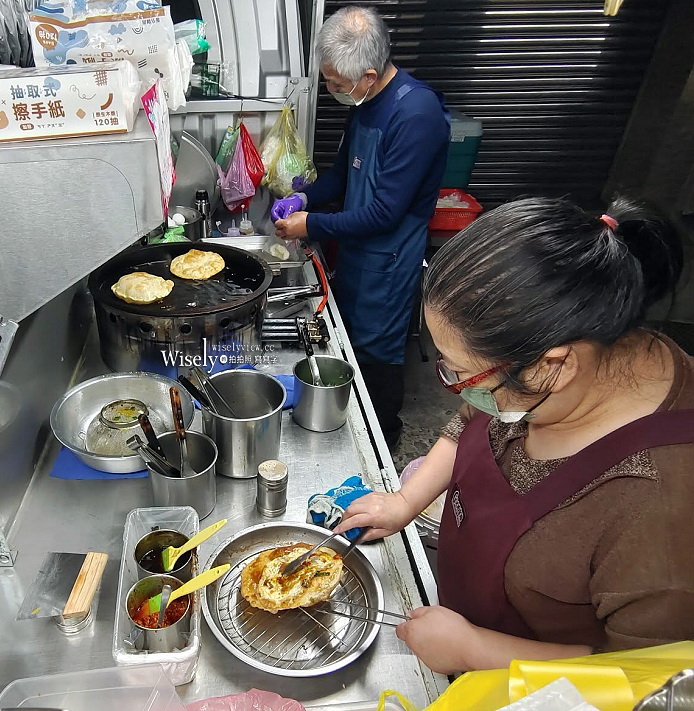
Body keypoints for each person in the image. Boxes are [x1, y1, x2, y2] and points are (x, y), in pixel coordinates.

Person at [333, 196, 694, 674]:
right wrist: (406, 501)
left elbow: (645, 676)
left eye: (460, 374)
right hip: (459, 615)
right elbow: (470, 421)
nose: (454, 387)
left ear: (554, 366)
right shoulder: (537, 359)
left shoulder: (661, 511)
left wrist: (476, 652)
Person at [270, 5, 450, 448]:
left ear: (368, 76)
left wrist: (309, 223)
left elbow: (386, 213)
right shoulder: (365, 102)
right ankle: (348, 426)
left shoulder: (416, 116)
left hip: (388, 261)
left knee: (377, 357)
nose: (331, 89)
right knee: (346, 341)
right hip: (354, 249)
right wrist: (307, 196)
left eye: (336, 83)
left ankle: (384, 442)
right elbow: (343, 176)